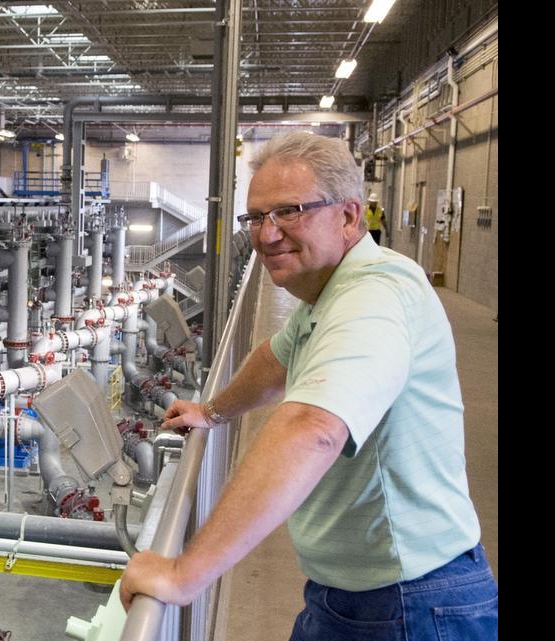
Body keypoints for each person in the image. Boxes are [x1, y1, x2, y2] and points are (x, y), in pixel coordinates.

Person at [119, 132, 497, 641]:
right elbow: (274, 358)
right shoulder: (330, 291)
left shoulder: (375, 295)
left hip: (410, 605)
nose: (266, 234)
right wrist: (211, 412)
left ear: (348, 216)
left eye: (289, 211)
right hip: (357, 594)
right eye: (255, 217)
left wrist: (183, 574)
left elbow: (312, 428)